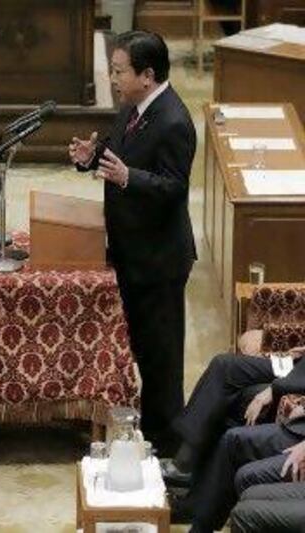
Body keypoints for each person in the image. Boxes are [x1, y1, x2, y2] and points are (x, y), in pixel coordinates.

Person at [68, 30, 196, 455]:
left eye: (120, 71)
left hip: (159, 260)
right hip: (127, 250)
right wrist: (92, 157)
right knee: (137, 346)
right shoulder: (131, 108)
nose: (114, 78)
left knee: (161, 359)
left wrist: (129, 177)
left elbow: (174, 187)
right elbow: (116, 150)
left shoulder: (175, 121)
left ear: (148, 74)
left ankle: (166, 445)